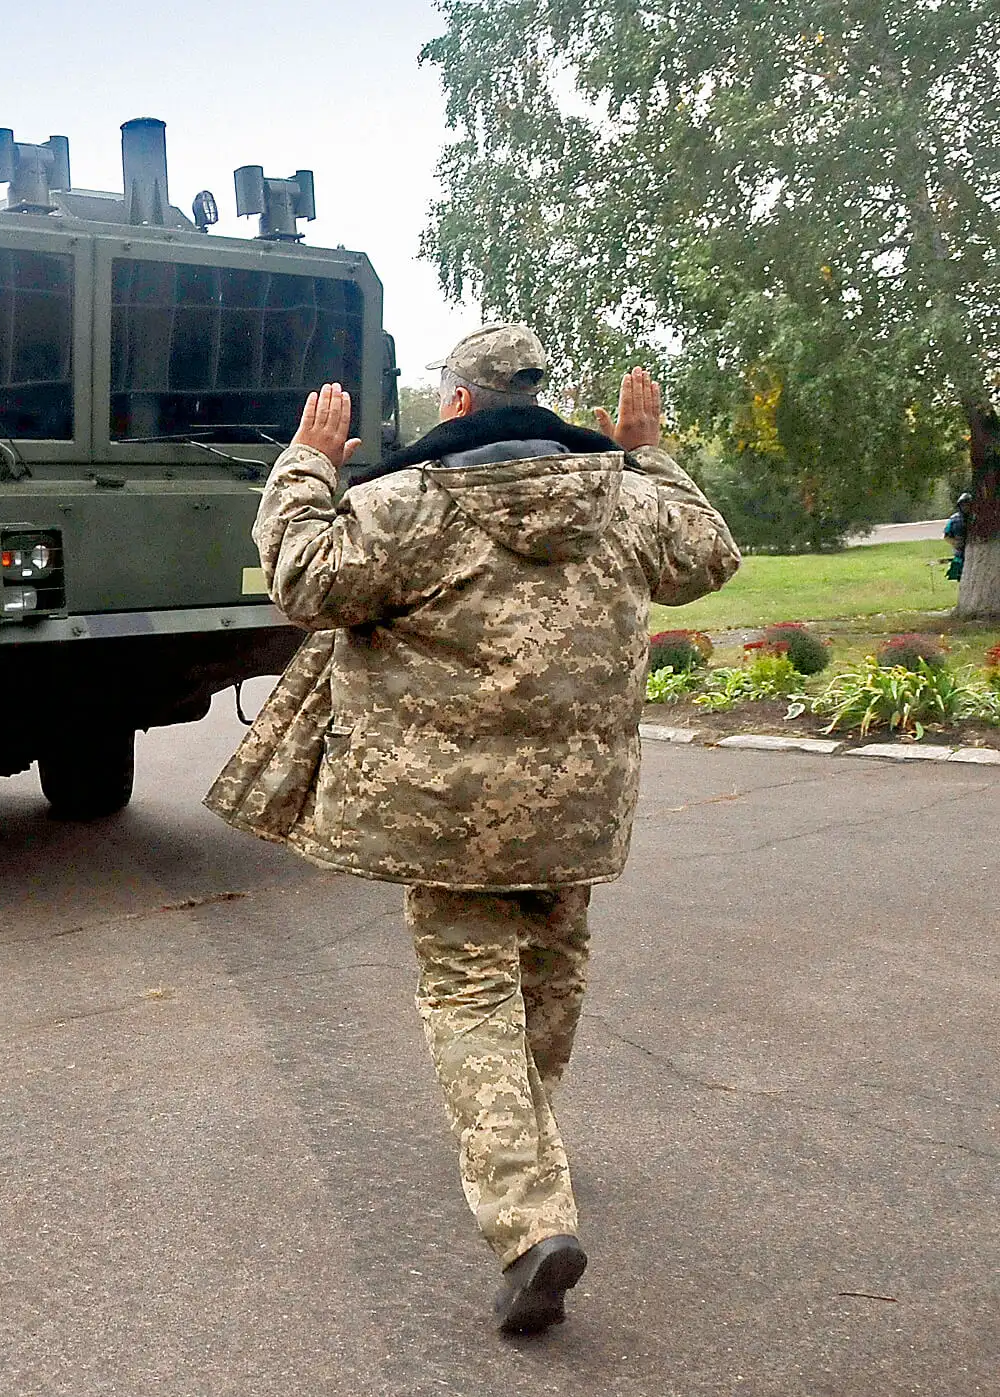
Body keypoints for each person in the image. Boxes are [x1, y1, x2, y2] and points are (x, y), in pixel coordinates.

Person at [207, 324, 740, 1335]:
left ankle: (526, 1215)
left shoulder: (405, 505)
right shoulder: (618, 495)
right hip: (575, 802)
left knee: (466, 989)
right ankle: (525, 1138)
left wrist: (306, 463)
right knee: (550, 963)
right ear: (537, 397)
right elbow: (706, 553)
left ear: (455, 403)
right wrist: (644, 450)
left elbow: (302, 580)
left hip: (447, 815)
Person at [945, 493, 971, 581]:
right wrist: (956, 543)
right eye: (963, 505)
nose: (966, 507)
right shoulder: (954, 519)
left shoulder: (976, 518)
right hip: (960, 553)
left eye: (968, 504)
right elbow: (947, 535)